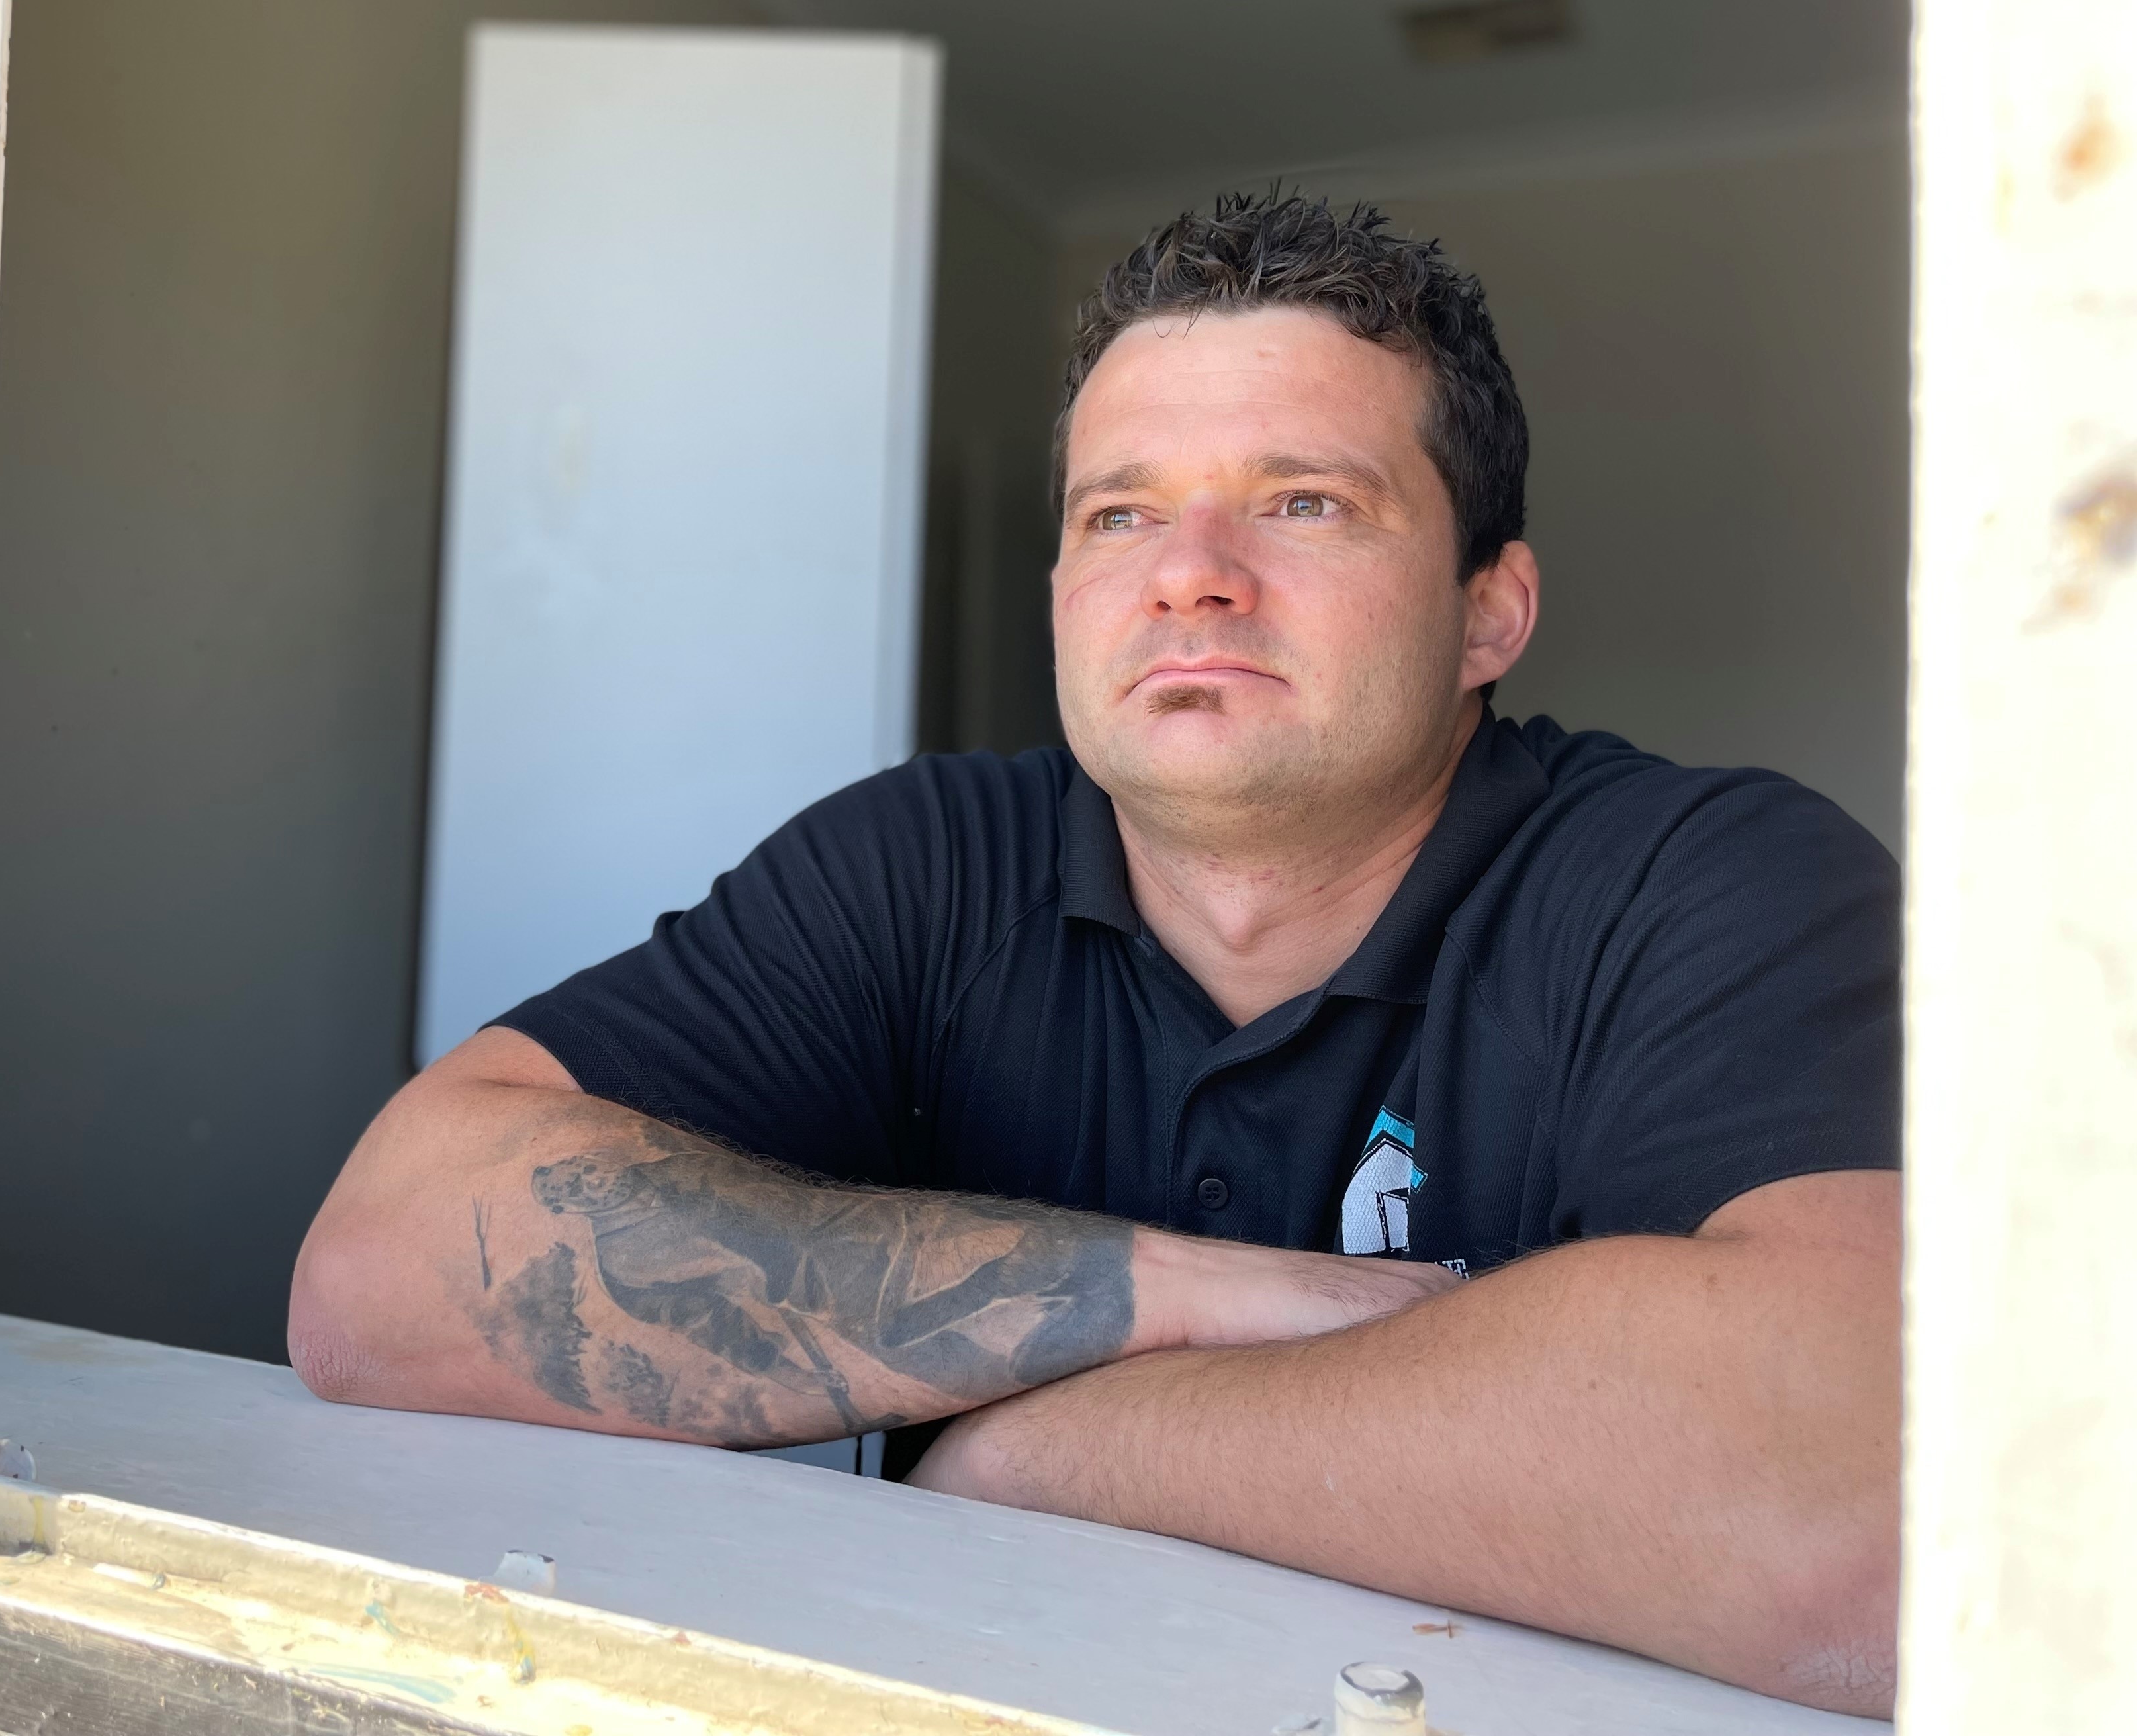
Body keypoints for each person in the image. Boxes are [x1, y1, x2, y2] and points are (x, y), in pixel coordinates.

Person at [289, 193, 1900, 1717]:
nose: (1191, 571)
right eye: (1121, 512)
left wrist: (1022, 1443)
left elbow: (1871, 1514)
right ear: (1066, 592)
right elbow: (388, 1275)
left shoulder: (1712, 882)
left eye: (1305, 502)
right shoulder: (926, 863)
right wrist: (1179, 1292)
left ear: (1491, 611)